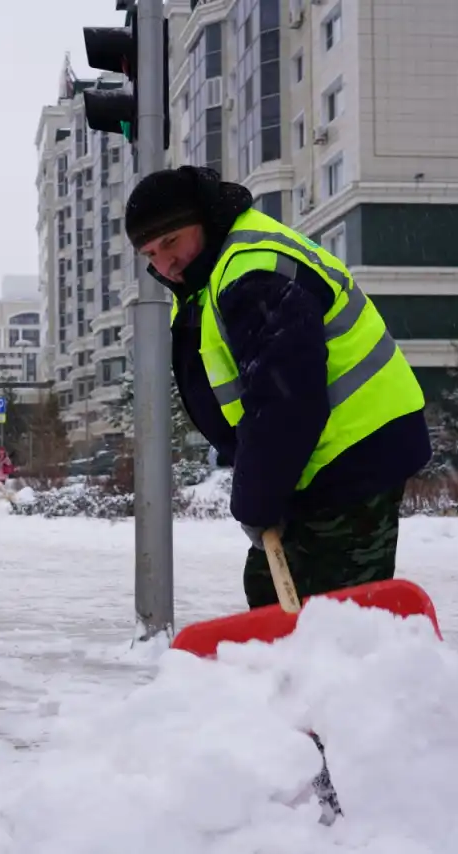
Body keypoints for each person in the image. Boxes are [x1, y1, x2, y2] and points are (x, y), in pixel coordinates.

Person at [123, 165, 432, 608]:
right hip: (317, 459)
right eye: (150, 254)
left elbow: (285, 401)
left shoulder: (251, 272)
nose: (164, 265)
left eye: (171, 242)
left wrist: (256, 501)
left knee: (334, 611)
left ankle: (346, 675)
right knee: (273, 590)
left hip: (353, 457)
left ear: (204, 220)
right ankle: (296, 672)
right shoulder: (214, 275)